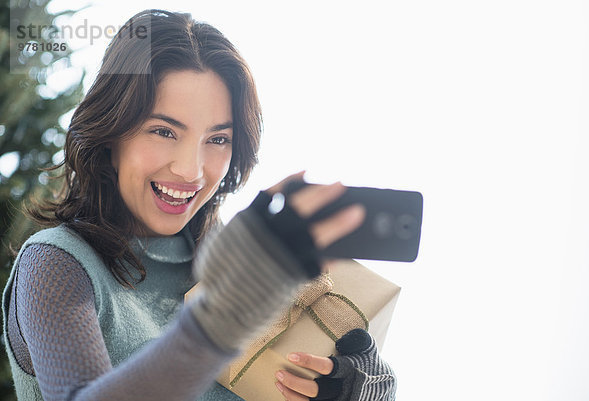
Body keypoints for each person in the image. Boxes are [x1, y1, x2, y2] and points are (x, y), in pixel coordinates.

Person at [2, 9, 397, 401]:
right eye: (163, 131)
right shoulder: (56, 265)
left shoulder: (241, 268)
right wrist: (217, 323)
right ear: (111, 132)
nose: (191, 170)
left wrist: (371, 393)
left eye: (218, 139)